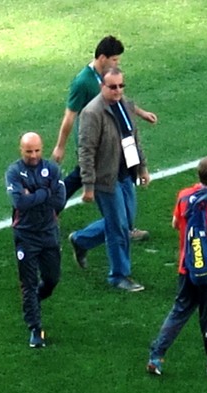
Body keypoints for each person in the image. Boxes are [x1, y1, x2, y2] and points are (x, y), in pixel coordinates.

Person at [52, 35, 156, 242]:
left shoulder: (108, 79)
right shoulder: (83, 82)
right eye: (115, 59)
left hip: (116, 140)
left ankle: (124, 226)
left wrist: (142, 113)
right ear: (102, 57)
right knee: (82, 176)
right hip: (94, 142)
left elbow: (121, 100)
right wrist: (60, 146)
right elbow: (69, 116)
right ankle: (54, 211)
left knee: (109, 177)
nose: (117, 63)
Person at [146, 157, 207, 375]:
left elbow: (174, 223)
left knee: (179, 311)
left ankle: (156, 355)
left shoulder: (184, 195)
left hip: (186, 266)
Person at [69, 67, 150, 292]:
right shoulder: (92, 113)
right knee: (118, 227)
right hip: (106, 178)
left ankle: (81, 240)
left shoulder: (124, 104)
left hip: (125, 173)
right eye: (112, 87)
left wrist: (142, 168)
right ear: (102, 86)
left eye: (121, 86)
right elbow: (85, 151)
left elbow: (132, 138)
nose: (117, 90)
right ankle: (118, 275)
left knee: (125, 222)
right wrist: (88, 185)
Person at [5, 132, 67, 348]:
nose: (33, 155)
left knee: (52, 279)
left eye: (37, 150)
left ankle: (34, 302)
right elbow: (20, 202)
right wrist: (44, 192)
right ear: (21, 150)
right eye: (29, 151)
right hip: (25, 235)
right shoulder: (14, 172)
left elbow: (60, 199)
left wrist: (34, 194)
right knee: (28, 283)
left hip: (48, 232)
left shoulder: (52, 169)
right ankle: (34, 328)